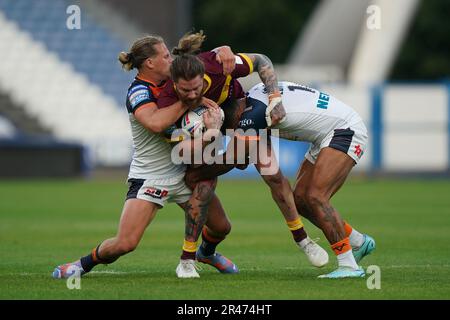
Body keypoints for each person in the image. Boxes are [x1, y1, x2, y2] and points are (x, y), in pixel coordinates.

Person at [52, 35, 239, 280]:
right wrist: (191, 100)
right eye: (165, 56)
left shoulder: (174, 81)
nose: (170, 60)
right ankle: (81, 265)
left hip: (184, 173)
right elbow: (155, 122)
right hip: (151, 177)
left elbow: (198, 63)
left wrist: (221, 50)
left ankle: (205, 253)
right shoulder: (139, 91)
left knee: (221, 227)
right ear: (149, 63)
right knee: (125, 243)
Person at [157, 32, 329, 268]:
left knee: (274, 175)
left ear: (203, 76)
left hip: (241, 120)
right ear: (174, 83)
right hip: (204, 133)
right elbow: (172, 138)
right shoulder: (166, 96)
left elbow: (261, 60)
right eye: (185, 91)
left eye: (196, 88)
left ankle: (302, 239)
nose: (193, 95)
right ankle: (187, 258)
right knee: (203, 184)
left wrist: (275, 98)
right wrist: (208, 133)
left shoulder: (217, 64)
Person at [186, 81, 376, 278]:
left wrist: (195, 174)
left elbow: (235, 159)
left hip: (345, 129)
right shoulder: (255, 100)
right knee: (300, 200)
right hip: (327, 135)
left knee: (315, 197)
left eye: (228, 131)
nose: (231, 134)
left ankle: (349, 265)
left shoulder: (252, 116)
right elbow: (243, 159)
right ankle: (358, 242)